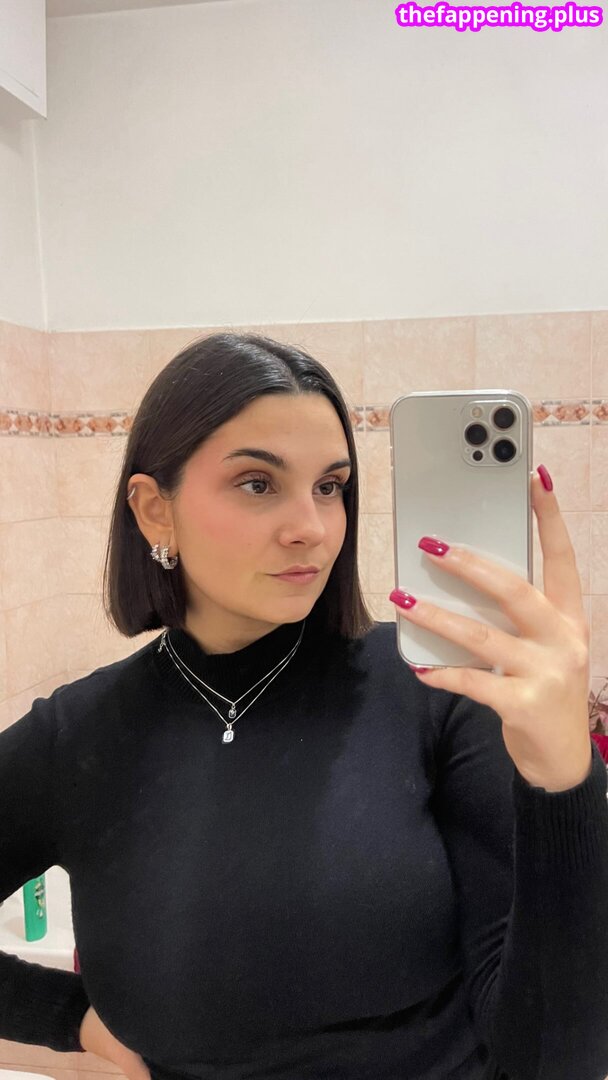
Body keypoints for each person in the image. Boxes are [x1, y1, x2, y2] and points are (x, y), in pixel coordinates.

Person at [1, 331, 607, 1080]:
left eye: (330, 486)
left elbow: (553, 1060)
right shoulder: (78, 736)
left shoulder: (439, 692)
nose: (312, 529)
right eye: (258, 483)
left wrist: (565, 782)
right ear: (155, 511)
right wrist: (69, 1020)